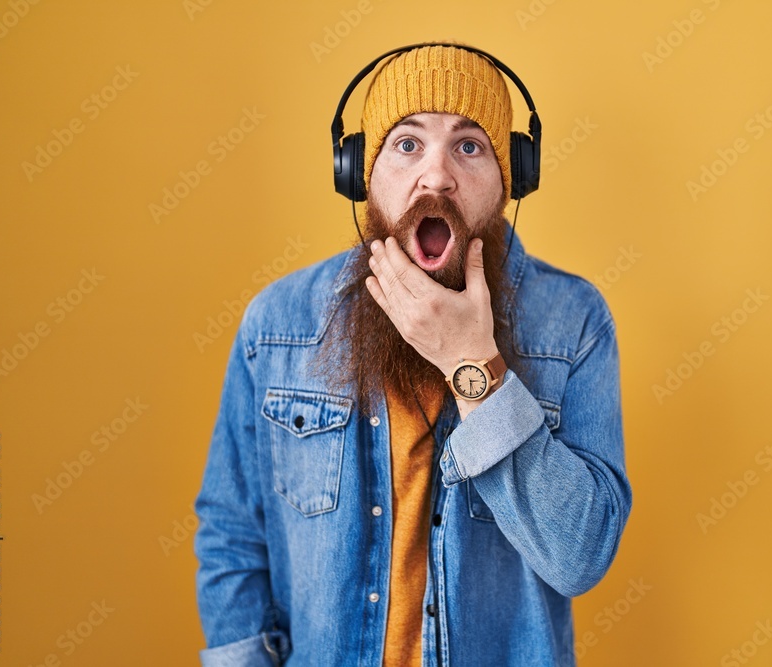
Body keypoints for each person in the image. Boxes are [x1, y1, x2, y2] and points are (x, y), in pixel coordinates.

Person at [194, 43, 631, 666]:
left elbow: (579, 556)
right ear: (358, 173)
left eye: (469, 145)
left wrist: (471, 363)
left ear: (513, 178)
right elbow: (233, 536)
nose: (437, 175)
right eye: (407, 144)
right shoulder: (279, 324)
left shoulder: (575, 322)